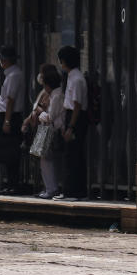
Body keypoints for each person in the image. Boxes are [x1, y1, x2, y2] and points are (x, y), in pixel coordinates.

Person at [22, 63, 64, 199]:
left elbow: (50, 116)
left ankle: (51, 188)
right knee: (44, 160)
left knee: (46, 161)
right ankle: (49, 188)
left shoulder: (56, 96)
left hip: (49, 130)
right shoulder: (54, 94)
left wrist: (40, 113)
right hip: (45, 129)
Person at [56, 45, 88, 200]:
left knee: (73, 155)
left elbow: (77, 105)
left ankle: (73, 191)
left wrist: (70, 127)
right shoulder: (72, 77)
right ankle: (74, 190)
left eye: (61, 61)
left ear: (65, 61)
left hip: (76, 118)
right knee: (73, 154)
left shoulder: (76, 79)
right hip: (72, 117)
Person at [0, 45, 25, 194]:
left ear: (5, 61)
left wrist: (7, 121)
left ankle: (13, 184)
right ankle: (10, 183)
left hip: (10, 115)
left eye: (2, 60)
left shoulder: (14, 75)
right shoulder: (11, 74)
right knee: (7, 153)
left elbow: (10, 99)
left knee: (11, 152)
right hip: (8, 114)